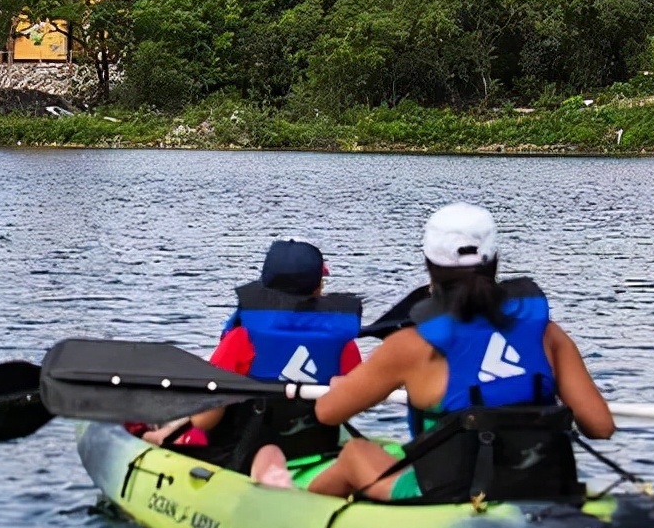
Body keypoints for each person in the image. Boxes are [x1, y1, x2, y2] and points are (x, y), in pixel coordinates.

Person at [250, 203, 613, 500]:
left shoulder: (411, 345)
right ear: (494, 260)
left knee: (356, 453)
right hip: (539, 483)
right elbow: (600, 426)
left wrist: (341, 382)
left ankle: (293, 508)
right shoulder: (548, 333)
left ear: (429, 265)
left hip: (451, 493)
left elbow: (328, 412)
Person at [136, 239, 363, 481]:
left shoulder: (241, 338)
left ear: (265, 288)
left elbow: (204, 420)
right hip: (314, 447)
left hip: (242, 452)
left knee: (193, 422)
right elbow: (348, 405)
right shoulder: (344, 344)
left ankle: (158, 437)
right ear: (319, 288)